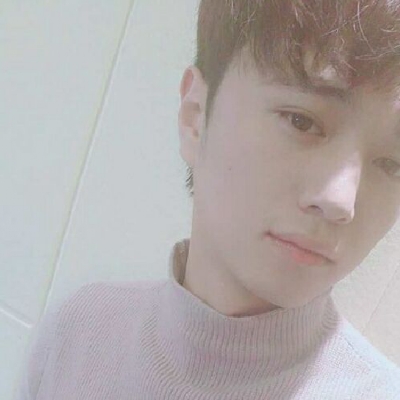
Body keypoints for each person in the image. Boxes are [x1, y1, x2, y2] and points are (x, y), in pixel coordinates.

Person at [16, 1, 400, 399]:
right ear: (196, 116)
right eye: (302, 121)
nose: (341, 201)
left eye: (393, 164)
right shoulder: (77, 335)